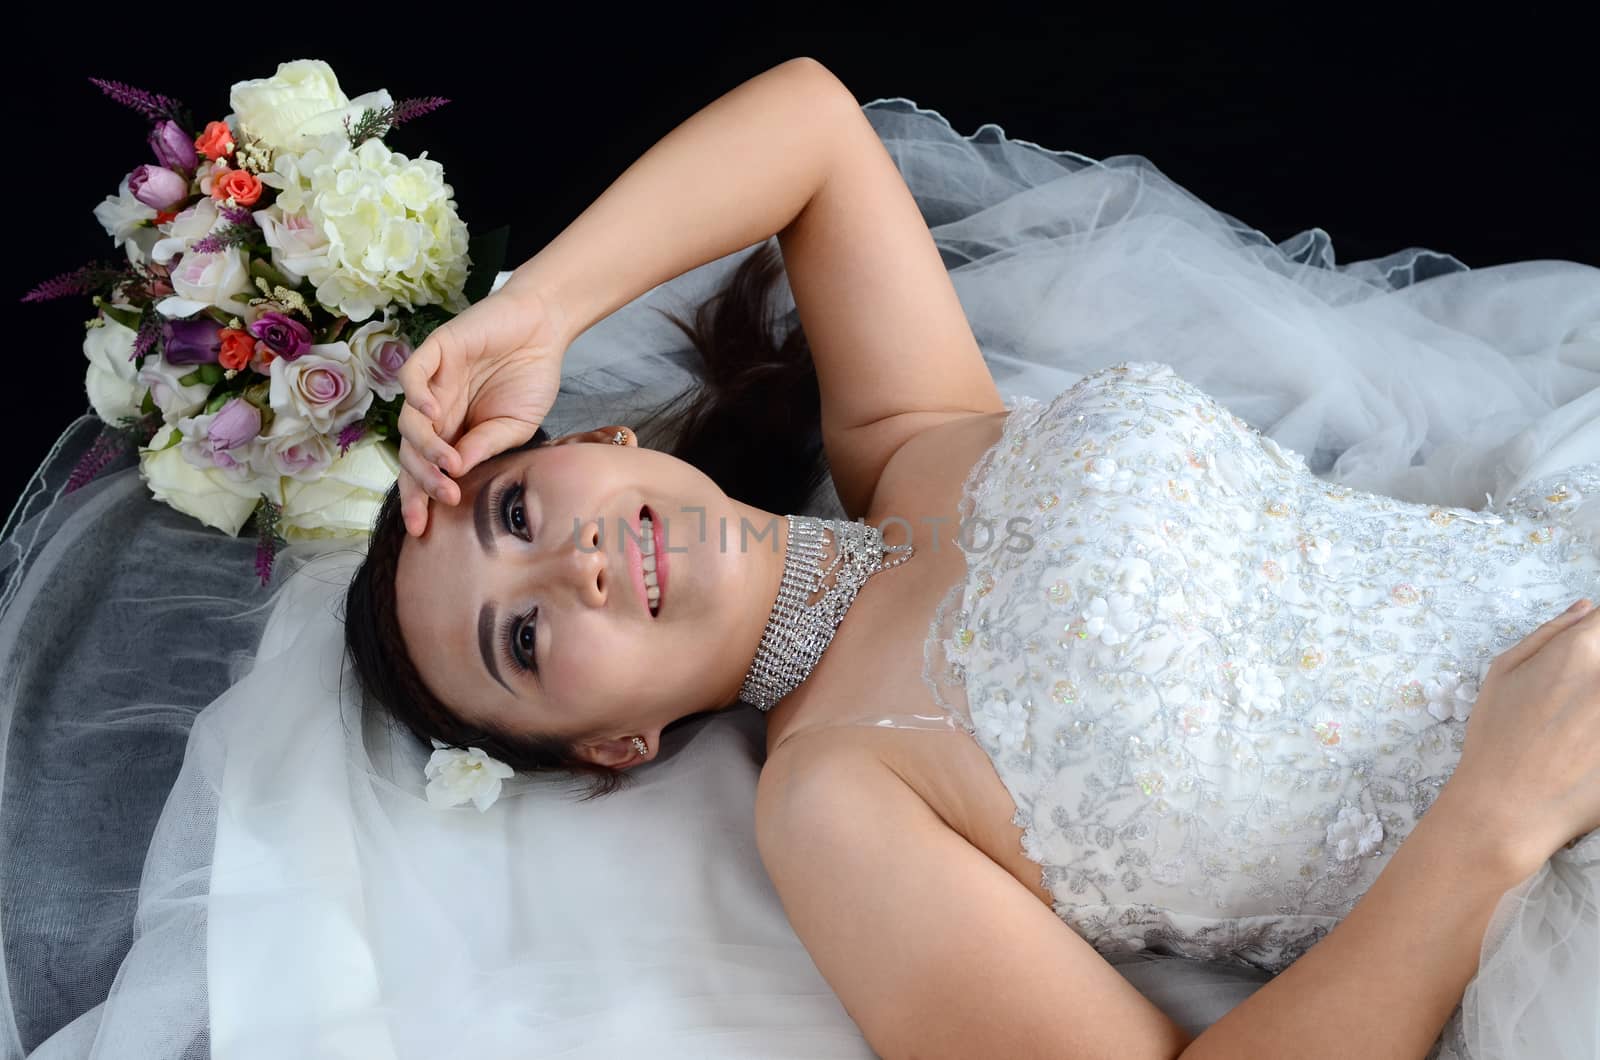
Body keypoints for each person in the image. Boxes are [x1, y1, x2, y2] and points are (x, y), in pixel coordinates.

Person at [339, 57, 1600, 1058]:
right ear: (614, 743)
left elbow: (814, 127)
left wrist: (540, 308)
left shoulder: (916, 439)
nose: (577, 568)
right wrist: (1493, 820)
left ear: (603, 440)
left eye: (515, 515)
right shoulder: (831, 800)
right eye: (525, 637)